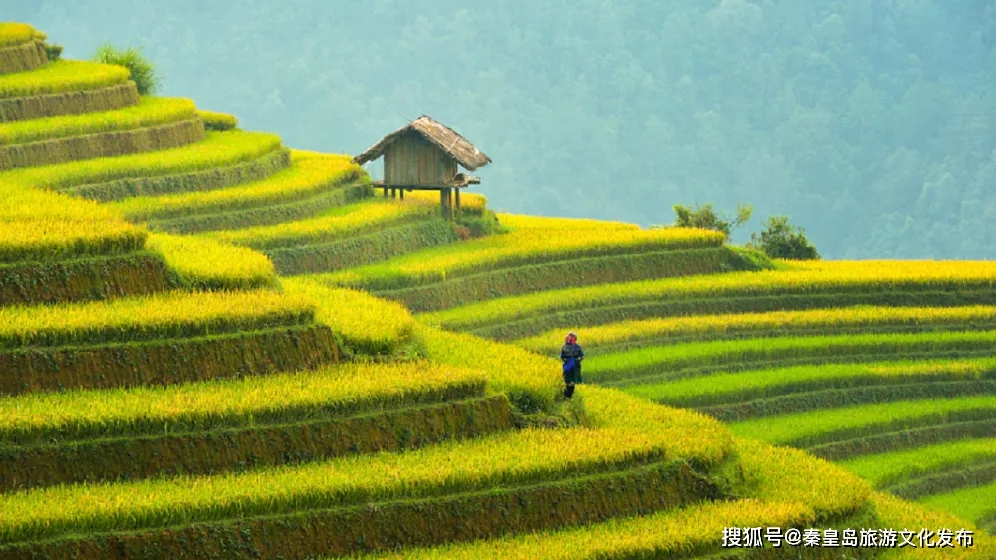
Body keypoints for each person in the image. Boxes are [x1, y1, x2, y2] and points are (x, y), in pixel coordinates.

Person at [560, 331, 585, 398]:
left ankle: (568, 396)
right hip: (571, 366)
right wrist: (576, 360)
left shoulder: (575, 347)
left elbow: (562, 357)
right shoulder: (565, 347)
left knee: (569, 381)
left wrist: (574, 360)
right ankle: (568, 395)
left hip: (572, 366)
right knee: (570, 382)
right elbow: (582, 356)